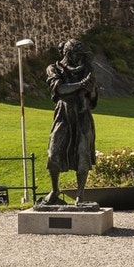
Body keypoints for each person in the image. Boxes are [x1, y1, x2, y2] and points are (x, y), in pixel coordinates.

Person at [39, 39, 98, 205]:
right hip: (64, 113)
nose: (79, 58)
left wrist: (90, 89)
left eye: (81, 54)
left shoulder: (87, 69)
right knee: (53, 152)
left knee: (82, 153)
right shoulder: (54, 68)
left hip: (82, 113)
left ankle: (80, 195)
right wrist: (81, 85)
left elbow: (93, 98)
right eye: (76, 54)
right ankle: (55, 190)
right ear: (67, 53)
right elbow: (59, 89)